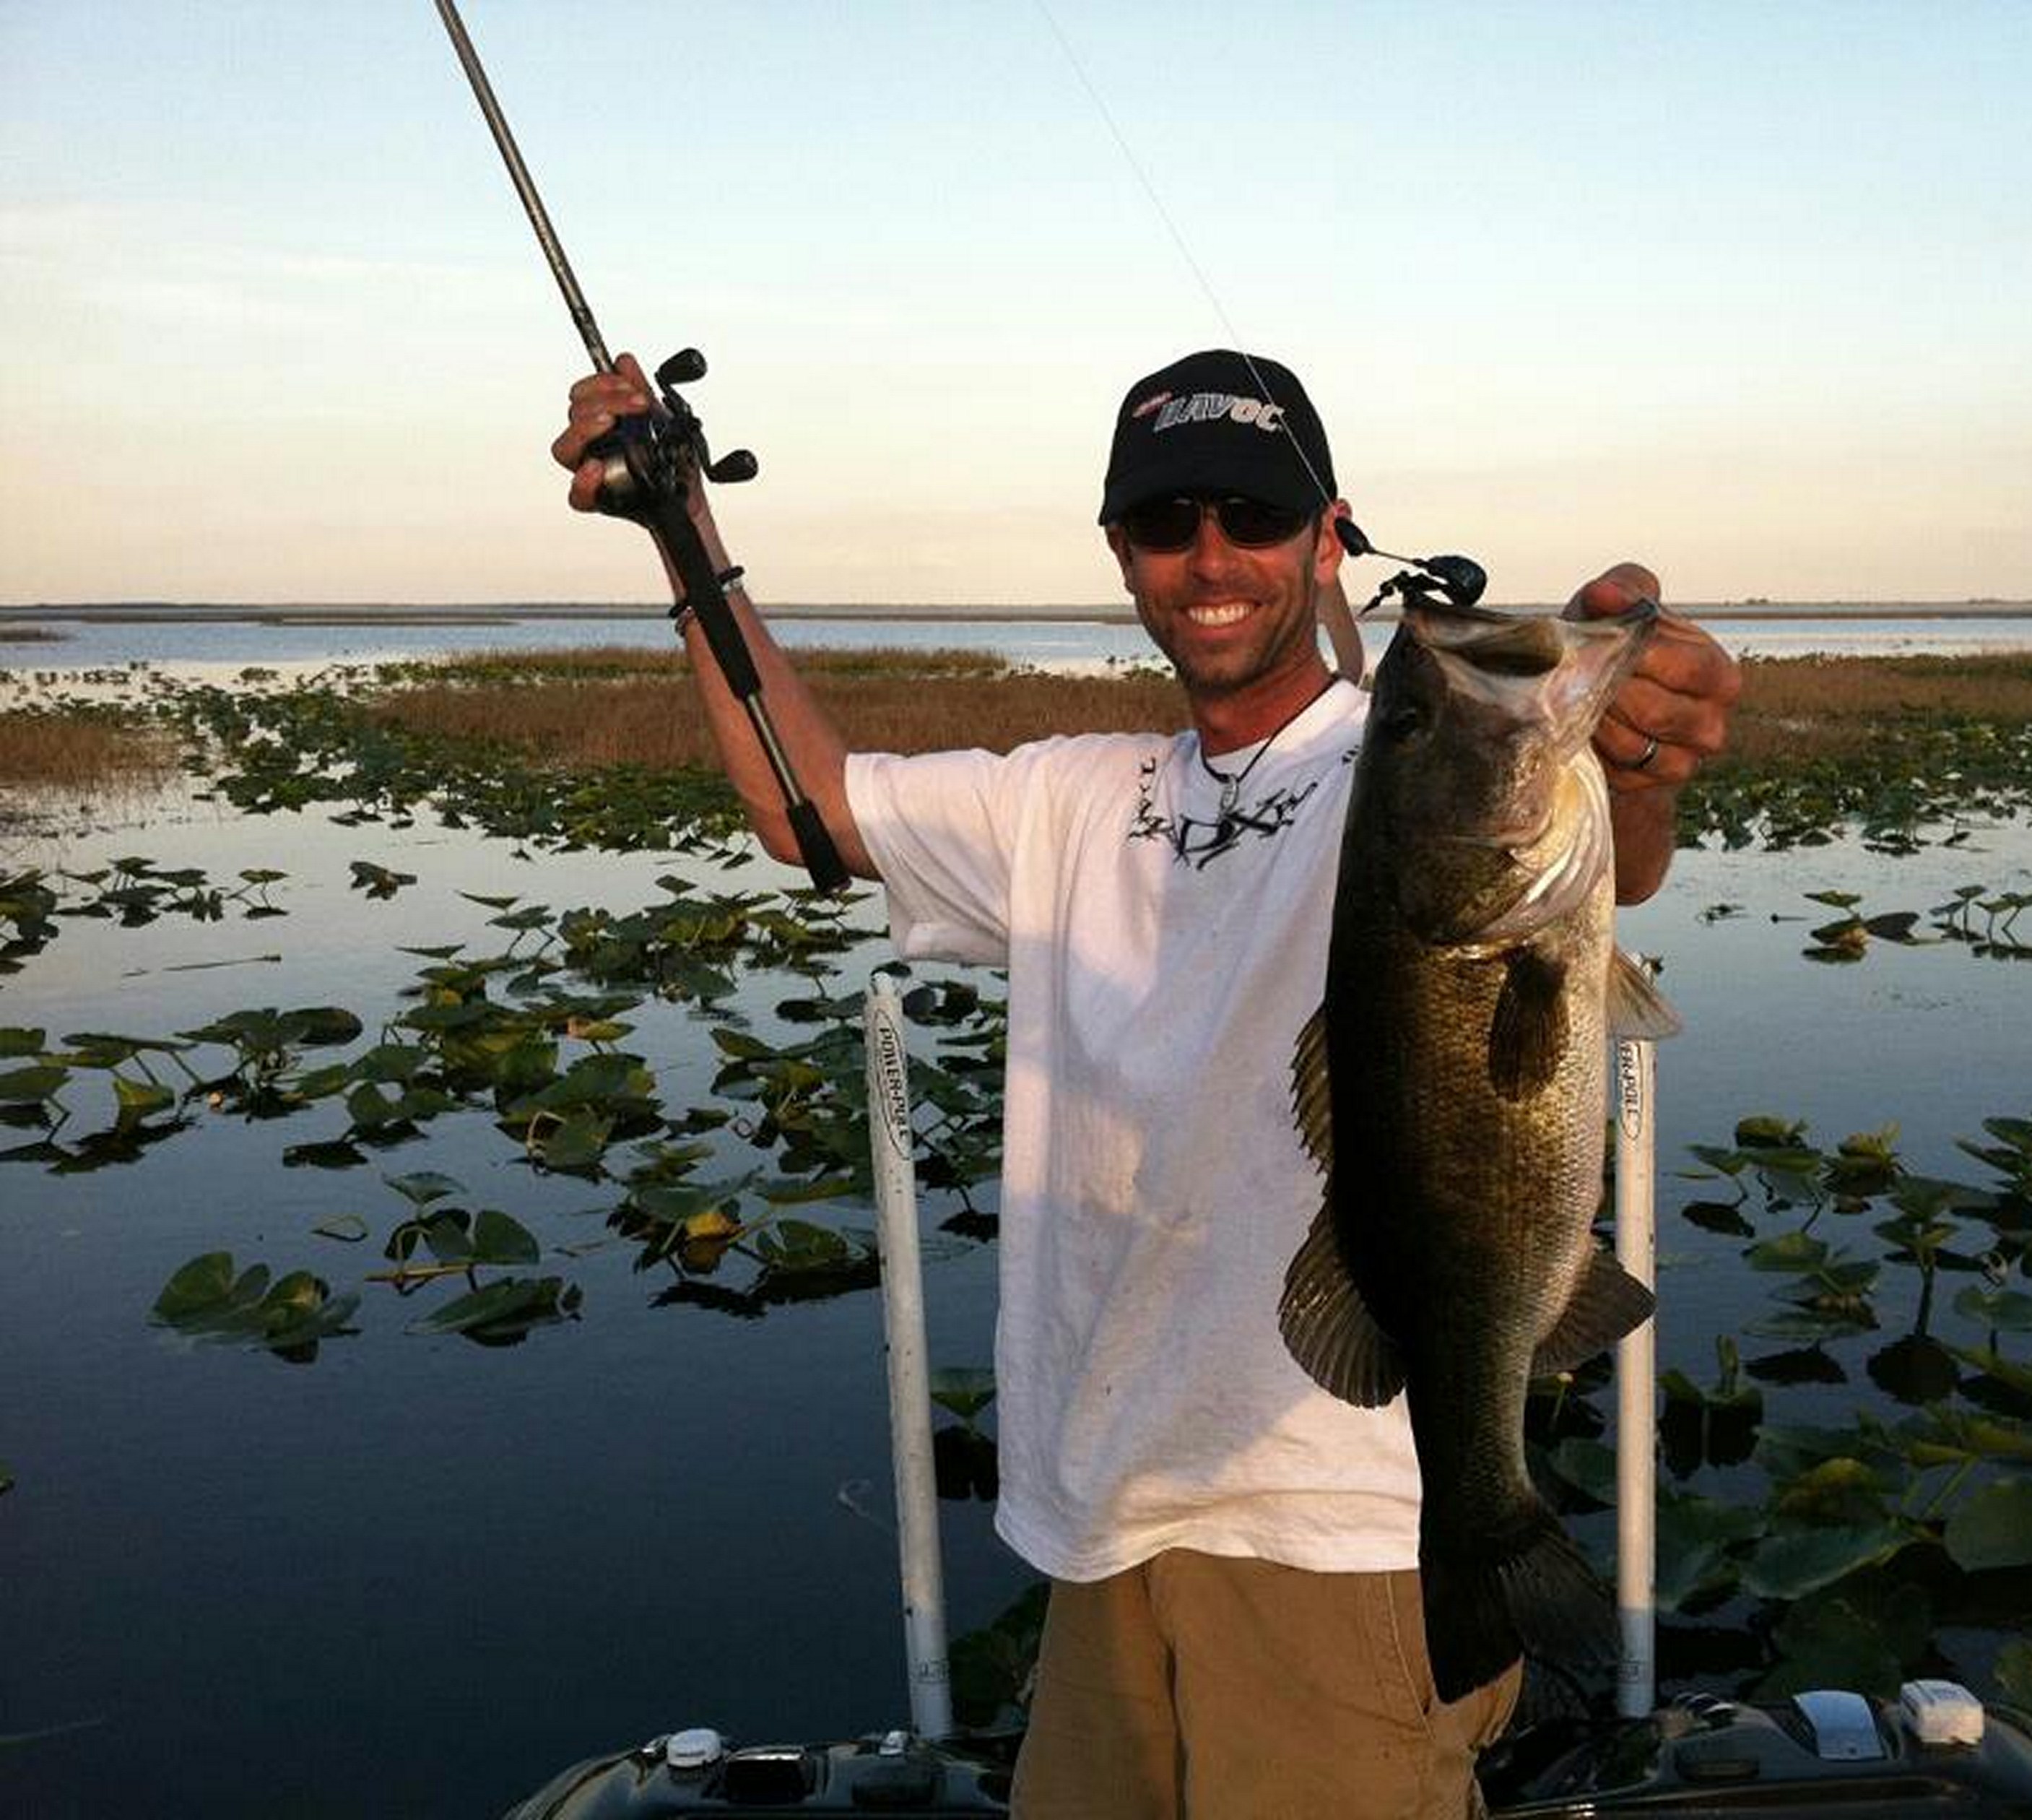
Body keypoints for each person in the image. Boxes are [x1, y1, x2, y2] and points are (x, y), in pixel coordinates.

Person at [553, 347, 1740, 1820]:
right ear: (1122, 552)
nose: (1211, 557)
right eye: (1168, 522)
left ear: (1330, 539)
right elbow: (812, 813)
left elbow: (1609, 860)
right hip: (1103, 1512)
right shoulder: (1064, 797)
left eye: (1256, 515)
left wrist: (1641, 757)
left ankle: (1485, 1534)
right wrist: (685, 532)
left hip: (1337, 1535)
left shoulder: (1394, 761)